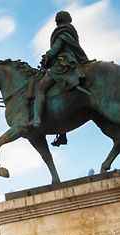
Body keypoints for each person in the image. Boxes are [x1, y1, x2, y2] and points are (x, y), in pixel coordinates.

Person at [31, 11, 89, 145]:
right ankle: (62, 135)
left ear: (58, 20)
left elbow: (56, 49)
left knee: (40, 88)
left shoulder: (61, 31)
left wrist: (47, 57)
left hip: (62, 66)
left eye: (56, 20)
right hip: (72, 64)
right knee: (62, 95)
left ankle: (37, 119)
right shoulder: (71, 31)